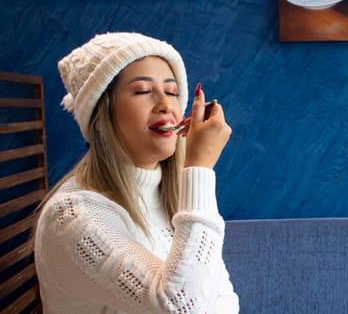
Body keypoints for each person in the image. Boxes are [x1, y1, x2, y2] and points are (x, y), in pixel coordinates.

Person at [34, 32, 239, 313]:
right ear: (102, 113)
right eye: (143, 91)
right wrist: (200, 167)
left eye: (172, 92)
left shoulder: (174, 198)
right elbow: (184, 307)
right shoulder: (70, 216)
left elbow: (225, 296)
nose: (166, 105)